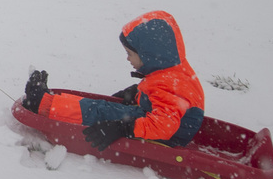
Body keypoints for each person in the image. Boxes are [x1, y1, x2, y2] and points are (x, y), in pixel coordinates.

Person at [22, 10, 205, 150]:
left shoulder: (172, 84)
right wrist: (137, 93)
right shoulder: (170, 70)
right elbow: (162, 95)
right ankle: (52, 102)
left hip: (165, 137)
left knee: (102, 113)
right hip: (159, 123)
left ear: (150, 56)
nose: (127, 59)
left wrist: (122, 128)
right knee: (105, 109)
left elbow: (164, 126)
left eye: (130, 54)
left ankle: (42, 105)